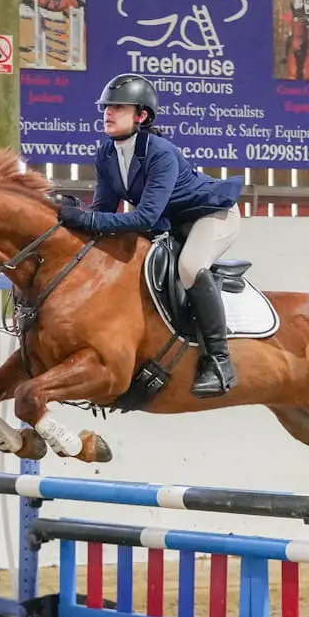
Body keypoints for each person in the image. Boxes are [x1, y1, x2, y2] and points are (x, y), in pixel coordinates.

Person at [57, 74, 245, 399]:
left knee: (189, 266)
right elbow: (104, 208)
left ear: (141, 116)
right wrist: (73, 216)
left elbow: (143, 216)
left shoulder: (160, 153)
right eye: (106, 107)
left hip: (211, 215)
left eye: (118, 107)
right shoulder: (106, 153)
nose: (108, 113)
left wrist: (85, 217)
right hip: (171, 222)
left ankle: (219, 362)